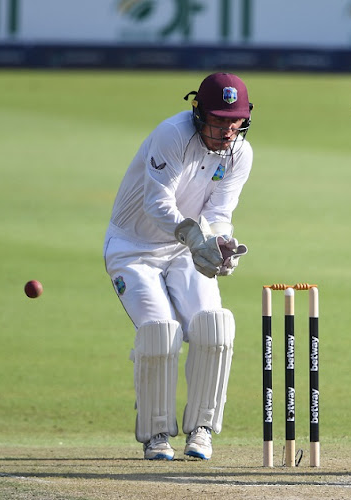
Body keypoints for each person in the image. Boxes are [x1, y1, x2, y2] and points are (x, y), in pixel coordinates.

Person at [104, 72, 252, 461]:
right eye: (218, 120)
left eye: (233, 121)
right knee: (159, 333)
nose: (226, 130)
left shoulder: (241, 153)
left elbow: (219, 211)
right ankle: (155, 434)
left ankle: (201, 429)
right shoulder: (171, 135)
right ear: (198, 113)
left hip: (186, 248)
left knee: (214, 326)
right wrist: (195, 238)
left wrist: (220, 243)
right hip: (133, 247)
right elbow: (157, 204)